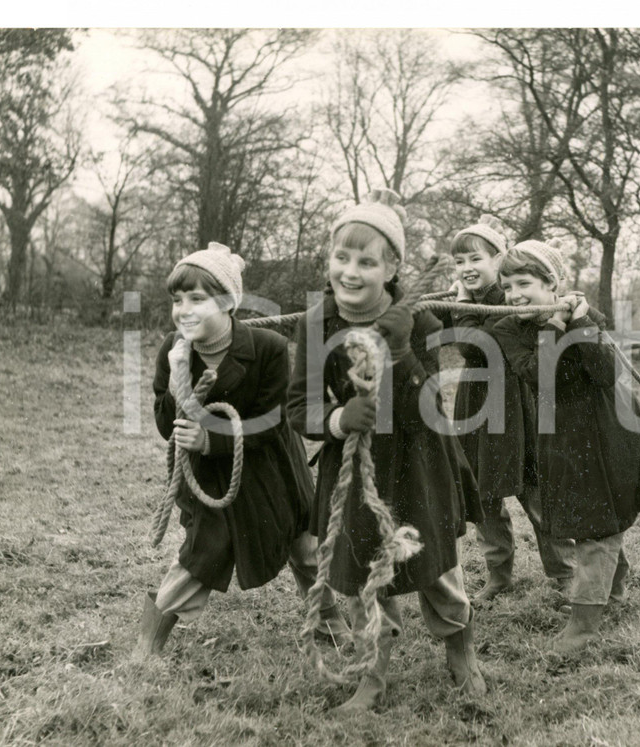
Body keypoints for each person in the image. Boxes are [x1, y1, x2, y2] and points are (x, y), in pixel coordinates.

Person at [287, 189, 486, 711]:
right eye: (341, 257)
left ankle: (460, 649)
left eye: (366, 262)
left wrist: (401, 352)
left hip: (419, 461)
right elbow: (298, 406)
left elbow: (432, 406)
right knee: (361, 574)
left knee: (435, 568)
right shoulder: (315, 323)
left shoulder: (418, 320)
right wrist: (336, 418)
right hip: (355, 468)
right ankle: (373, 677)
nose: (350, 272)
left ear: (392, 267)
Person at [139, 242, 347, 658]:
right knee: (201, 554)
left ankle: (328, 620)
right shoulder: (173, 349)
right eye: (177, 300)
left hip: (270, 467)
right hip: (209, 478)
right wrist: (179, 379)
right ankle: (149, 640)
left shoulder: (268, 348)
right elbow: (166, 426)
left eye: (197, 299)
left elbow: (273, 419)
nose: (183, 310)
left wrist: (212, 440)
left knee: (304, 545)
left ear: (227, 302)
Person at [490, 239, 640, 653]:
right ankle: (613, 592)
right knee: (593, 514)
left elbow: (606, 373)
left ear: (552, 283)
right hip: (561, 432)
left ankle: (584, 625)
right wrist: (554, 326)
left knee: (599, 520)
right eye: (507, 287)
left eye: (524, 283)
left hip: (609, 427)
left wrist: (579, 322)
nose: (514, 295)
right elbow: (538, 375)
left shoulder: (585, 317)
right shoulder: (508, 329)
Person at [442, 215, 574, 601]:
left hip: (517, 403)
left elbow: (473, 345)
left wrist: (462, 302)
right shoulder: (462, 301)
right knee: (483, 494)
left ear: (499, 260)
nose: (467, 268)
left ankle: (565, 573)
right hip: (476, 404)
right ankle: (499, 574)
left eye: (476, 259)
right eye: (459, 262)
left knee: (536, 491)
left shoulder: (508, 299)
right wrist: (456, 301)